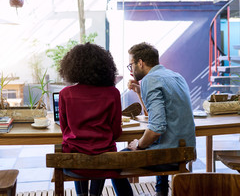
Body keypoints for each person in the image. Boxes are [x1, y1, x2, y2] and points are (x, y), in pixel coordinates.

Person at [112, 42, 196, 196]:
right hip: (187, 150)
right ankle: (161, 192)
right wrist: (139, 92)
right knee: (157, 141)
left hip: (169, 154)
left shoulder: (150, 80)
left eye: (131, 65)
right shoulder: (176, 76)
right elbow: (157, 117)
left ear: (140, 63)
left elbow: (156, 129)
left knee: (114, 164)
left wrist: (138, 144)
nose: (131, 70)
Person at [58, 43, 123, 196]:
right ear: (105, 66)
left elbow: (64, 129)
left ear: (71, 67)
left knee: (76, 154)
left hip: (74, 160)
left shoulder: (65, 94)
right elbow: (115, 132)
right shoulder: (113, 93)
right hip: (104, 160)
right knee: (102, 164)